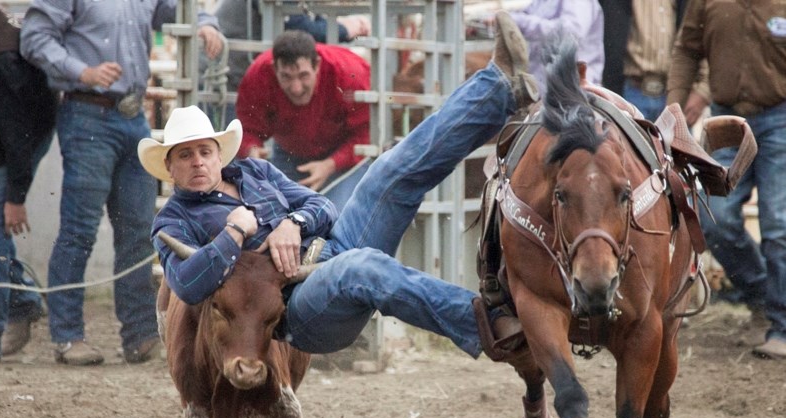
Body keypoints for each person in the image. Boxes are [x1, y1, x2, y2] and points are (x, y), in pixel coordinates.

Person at [142, 12, 537, 361]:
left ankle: (497, 88)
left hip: (330, 245)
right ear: (170, 167)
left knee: (389, 171)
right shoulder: (173, 221)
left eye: (204, 151)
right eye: (185, 155)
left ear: (218, 154)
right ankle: (489, 325)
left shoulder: (253, 173)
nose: (197, 161)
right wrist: (234, 232)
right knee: (359, 268)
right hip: (298, 306)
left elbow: (323, 208)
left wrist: (292, 222)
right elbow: (190, 285)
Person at [20, 0, 223, 366]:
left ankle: (139, 335)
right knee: (80, 229)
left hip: (129, 114)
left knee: (139, 229)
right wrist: (83, 71)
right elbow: (35, 37)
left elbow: (178, 8)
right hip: (86, 110)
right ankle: (68, 335)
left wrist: (205, 22)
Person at [668, 0, 786, 360]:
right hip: (726, 122)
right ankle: (763, 294)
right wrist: (674, 109)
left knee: (778, 223)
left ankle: (782, 326)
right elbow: (687, 49)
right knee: (715, 220)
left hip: (780, 117)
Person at [0, 0, 56, 363]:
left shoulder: (2, 59)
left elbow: (17, 136)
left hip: (12, 143)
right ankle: (23, 300)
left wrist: (16, 195)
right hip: (2, 139)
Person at [235, 30, 371, 210]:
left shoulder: (350, 74)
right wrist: (251, 151)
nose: (296, 88)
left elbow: (366, 133)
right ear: (274, 68)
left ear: (317, 66)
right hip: (290, 152)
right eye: (286, 77)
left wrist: (332, 164)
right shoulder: (259, 74)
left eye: (303, 76)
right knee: (274, 213)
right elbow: (247, 127)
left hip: (345, 157)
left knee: (339, 215)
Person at [200, 0, 370, 128]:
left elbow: (300, 20)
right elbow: (297, 28)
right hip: (223, 76)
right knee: (230, 149)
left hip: (235, 72)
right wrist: (344, 29)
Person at [600, 0, 709, 123]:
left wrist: (702, 91)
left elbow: (704, 35)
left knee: (677, 141)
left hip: (677, 93)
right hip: (630, 92)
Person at [471, 0, 603, 97]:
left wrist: (516, 21)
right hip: (543, 90)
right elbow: (521, 18)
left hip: (572, 92)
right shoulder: (540, 3)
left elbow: (571, 33)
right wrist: (482, 25)